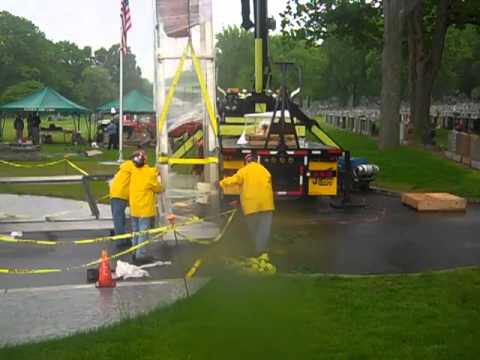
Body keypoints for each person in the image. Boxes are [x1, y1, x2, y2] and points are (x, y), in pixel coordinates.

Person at [219, 153, 274, 255]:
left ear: (246, 162)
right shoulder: (265, 170)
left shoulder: (244, 171)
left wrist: (220, 183)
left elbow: (233, 180)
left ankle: (257, 251)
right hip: (267, 205)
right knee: (264, 230)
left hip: (251, 207)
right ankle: (261, 251)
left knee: (254, 229)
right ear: (256, 160)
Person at [129, 151, 164, 264]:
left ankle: (134, 252)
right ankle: (141, 255)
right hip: (144, 208)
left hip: (134, 207)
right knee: (143, 232)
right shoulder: (149, 172)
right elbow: (158, 188)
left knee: (135, 231)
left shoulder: (134, 171)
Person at [109, 153, 138, 247]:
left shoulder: (126, 166)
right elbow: (142, 172)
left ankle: (122, 236)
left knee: (120, 217)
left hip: (118, 193)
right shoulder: (131, 165)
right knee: (118, 218)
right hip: (119, 194)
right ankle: (121, 240)